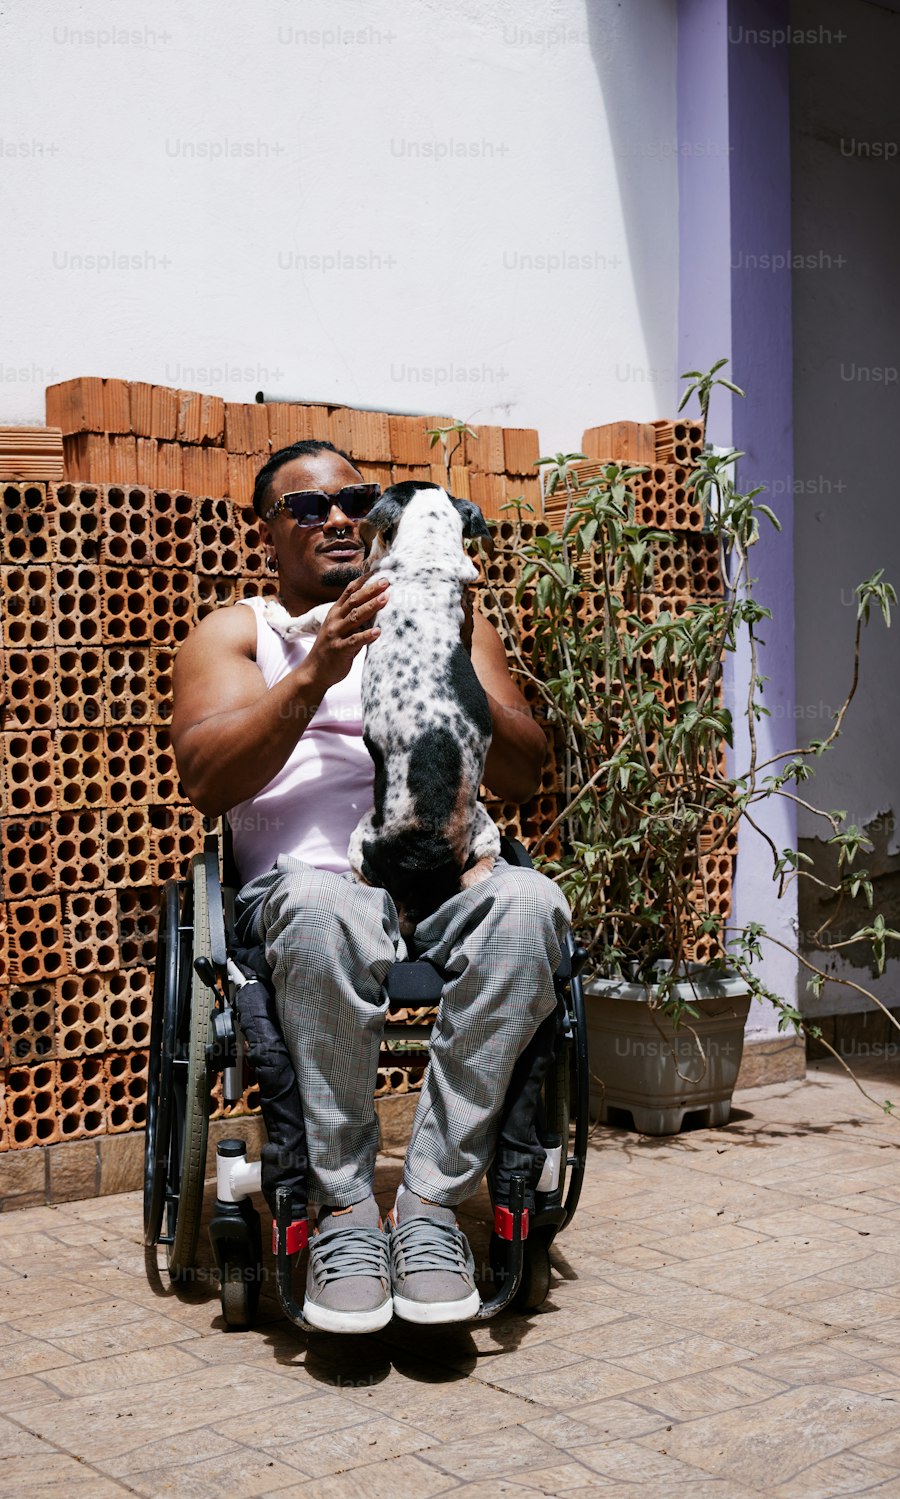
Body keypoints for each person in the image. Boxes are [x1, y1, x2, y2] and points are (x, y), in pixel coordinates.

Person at [171, 439, 571, 1333]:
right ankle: (347, 1212)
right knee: (322, 910)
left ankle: (429, 1204)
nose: (339, 518)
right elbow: (205, 778)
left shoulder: (446, 610)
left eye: (354, 499)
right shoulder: (242, 634)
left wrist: (455, 655)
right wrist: (317, 672)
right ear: (266, 530)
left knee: (531, 906)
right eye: (309, 507)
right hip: (313, 883)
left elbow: (525, 772)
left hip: (445, 873)